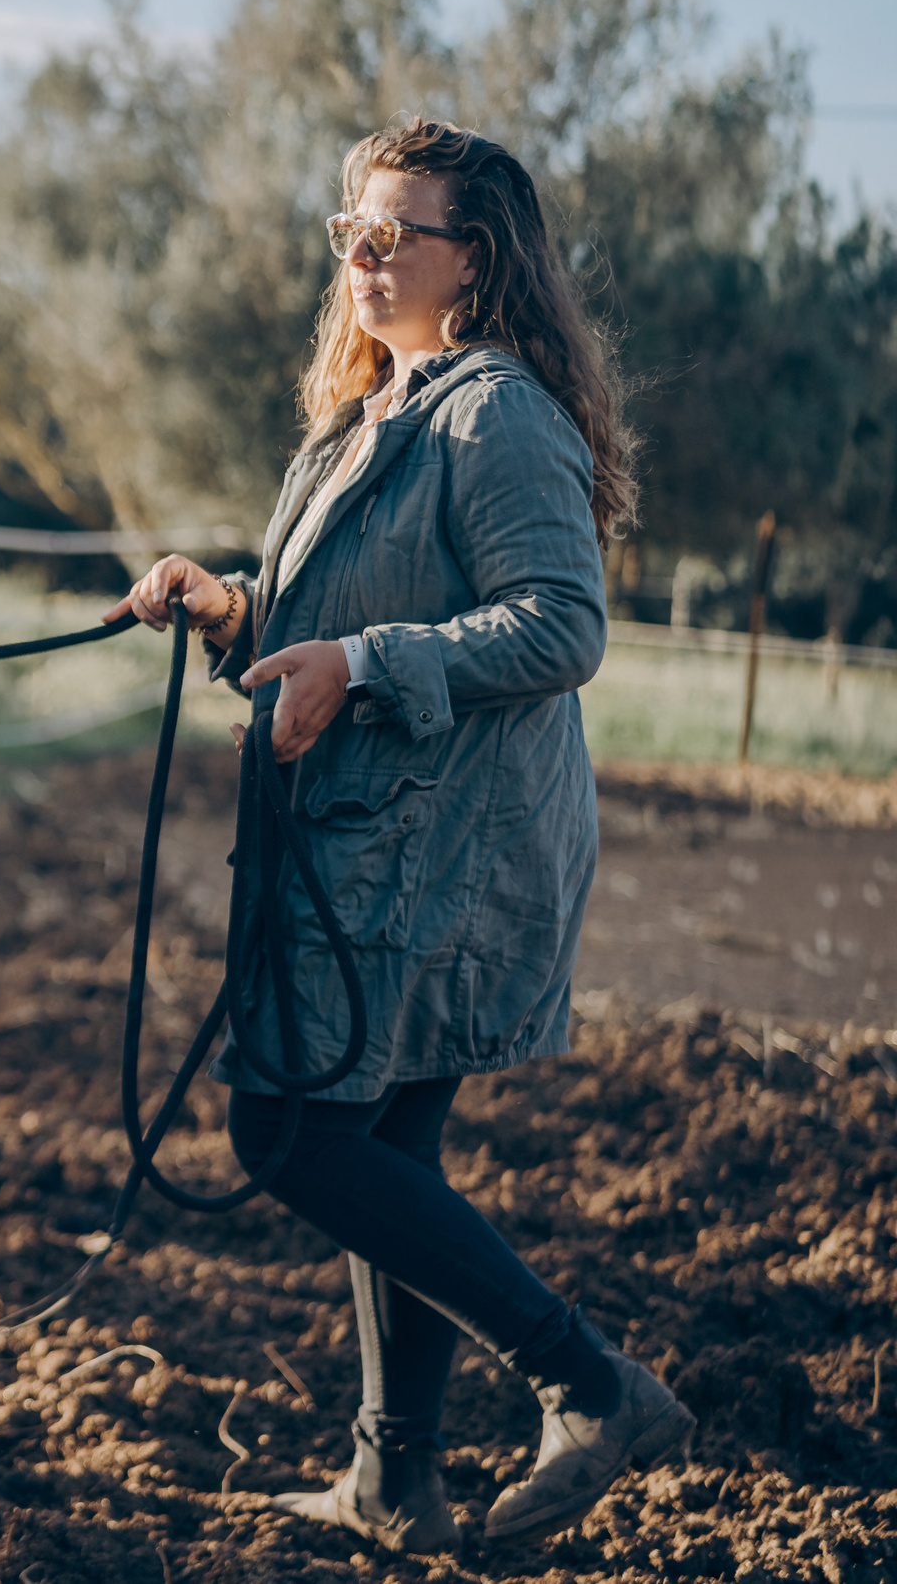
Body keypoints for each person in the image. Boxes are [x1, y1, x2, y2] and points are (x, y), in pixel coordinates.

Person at [104, 116, 691, 1552]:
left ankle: (589, 1384)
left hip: (448, 856)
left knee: (290, 1132)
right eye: (348, 233)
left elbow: (560, 626)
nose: (361, 260)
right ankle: (397, 1480)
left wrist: (359, 667)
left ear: (471, 261)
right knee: (388, 1152)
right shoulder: (375, 407)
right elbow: (354, 601)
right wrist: (239, 607)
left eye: (394, 236)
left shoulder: (495, 413)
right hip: (384, 844)